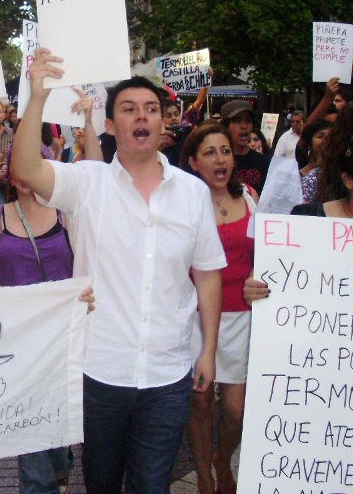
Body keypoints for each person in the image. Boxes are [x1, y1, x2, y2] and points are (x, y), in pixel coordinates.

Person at [12, 48, 225, 494]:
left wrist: (207, 350)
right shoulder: (86, 183)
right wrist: (36, 99)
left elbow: (207, 274)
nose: (141, 117)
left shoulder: (192, 193)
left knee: (152, 485)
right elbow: (26, 168)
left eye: (151, 109)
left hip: (168, 372)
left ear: (165, 122)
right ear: (111, 126)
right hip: (99, 371)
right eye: (128, 109)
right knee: (103, 482)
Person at [0, 144, 75, 494]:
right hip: (16, 340)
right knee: (29, 429)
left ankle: (60, 465)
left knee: (57, 427)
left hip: (63, 339)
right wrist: (13, 302)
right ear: (10, 173)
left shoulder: (67, 215)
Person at [179, 122, 267, 494]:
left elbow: (266, 253)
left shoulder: (248, 195)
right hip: (196, 319)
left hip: (241, 320)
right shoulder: (182, 203)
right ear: (194, 162)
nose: (221, 159)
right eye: (210, 152)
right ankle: (203, 475)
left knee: (235, 411)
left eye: (226, 151)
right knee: (199, 402)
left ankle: (222, 456)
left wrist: (258, 279)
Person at [220, 100, 270, 193]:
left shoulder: (265, 163)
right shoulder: (219, 163)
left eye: (248, 120)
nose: (244, 126)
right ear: (226, 126)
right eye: (237, 120)